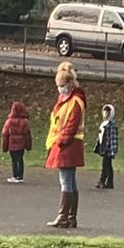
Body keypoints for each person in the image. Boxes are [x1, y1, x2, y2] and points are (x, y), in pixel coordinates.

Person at [46, 61, 86, 228]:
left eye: (61, 85)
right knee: (71, 181)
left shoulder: (75, 101)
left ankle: (64, 216)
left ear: (69, 83)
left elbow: (71, 124)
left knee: (66, 182)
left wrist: (61, 141)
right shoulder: (67, 99)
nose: (59, 89)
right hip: (67, 144)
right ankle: (70, 216)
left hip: (68, 145)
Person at [1, 101, 32, 183]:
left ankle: (15, 175)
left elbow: (5, 134)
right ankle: (20, 176)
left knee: (14, 160)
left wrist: (4, 147)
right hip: (21, 145)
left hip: (12, 145)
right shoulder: (24, 122)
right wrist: (28, 146)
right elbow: (27, 135)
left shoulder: (9, 121)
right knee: (20, 159)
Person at [94, 104, 119, 190]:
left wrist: (113, 150)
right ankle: (104, 181)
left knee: (107, 165)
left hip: (108, 147)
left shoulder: (111, 125)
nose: (105, 114)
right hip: (103, 146)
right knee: (106, 164)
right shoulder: (103, 124)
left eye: (108, 113)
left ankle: (107, 182)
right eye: (104, 112)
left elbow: (113, 138)